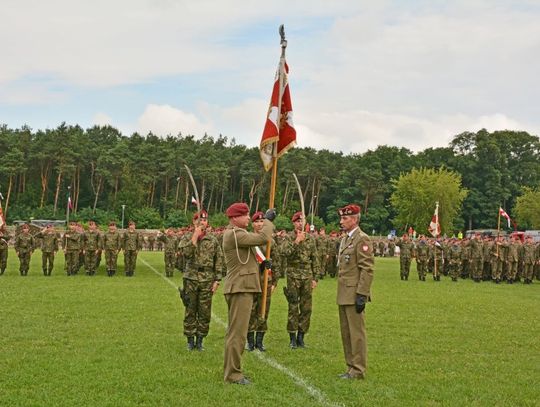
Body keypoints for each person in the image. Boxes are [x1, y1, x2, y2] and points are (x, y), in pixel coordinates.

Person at [222, 203, 274, 385]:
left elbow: (250, 257)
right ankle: (233, 375)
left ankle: (232, 371)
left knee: (236, 333)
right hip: (240, 288)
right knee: (237, 335)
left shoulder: (238, 234)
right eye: (245, 215)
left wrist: (261, 265)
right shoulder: (235, 234)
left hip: (242, 286)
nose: (248, 218)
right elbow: (263, 237)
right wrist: (267, 221)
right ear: (234, 218)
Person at [336, 204, 374, 380]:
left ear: (355, 219)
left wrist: (362, 294)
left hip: (354, 293)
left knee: (356, 333)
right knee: (346, 332)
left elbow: (367, 268)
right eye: (342, 218)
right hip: (344, 292)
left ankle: (358, 369)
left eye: (345, 218)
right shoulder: (346, 239)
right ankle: (350, 366)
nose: (341, 221)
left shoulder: (362, 239)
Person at [178, 211, 223, 351]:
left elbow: (219, 261)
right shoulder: (187, 237)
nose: (202, 222)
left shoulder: (213, 240)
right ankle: (190, 340)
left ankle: (200, 340)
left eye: (204, 220)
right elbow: (185, 254)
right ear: (194, 222)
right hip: (191, 278)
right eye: (199, 220)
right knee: (190, 309)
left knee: (204, 311)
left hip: (207, 279)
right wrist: (195, 237)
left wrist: (217, 280)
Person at [281, 211, 320, 349]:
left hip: (307, 275)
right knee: (293, 306)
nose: (300, 223)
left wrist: (316, 278)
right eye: (298, 221)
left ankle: (301, 337)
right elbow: (284, 253)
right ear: (294, 223)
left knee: (306, 307)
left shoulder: (310, 239)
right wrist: (297, 241)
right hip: (293, 274)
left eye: (302, 221)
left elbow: (315, 258)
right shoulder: (288, 237)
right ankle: (292, 337)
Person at [247, 211, 279, 352]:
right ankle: (250, 341)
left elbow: (276, 262)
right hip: (251, 280)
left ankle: (260, 341)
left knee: (264, 310)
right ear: (252, 224)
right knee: (250, 310)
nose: (260, 224)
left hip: (266, 280)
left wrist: (275, 281)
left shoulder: (270, 242)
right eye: (257, 222)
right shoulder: (248, 239)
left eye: (262, 222)